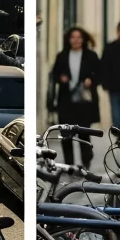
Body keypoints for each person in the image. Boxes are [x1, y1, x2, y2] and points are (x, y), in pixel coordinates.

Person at [48, 27, 100, 167]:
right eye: (73, 37)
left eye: (79, 37)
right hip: (66, 102)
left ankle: (86, 162)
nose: (76, 40)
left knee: (84, 134)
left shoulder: (91, 56)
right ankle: (69, 165)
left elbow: (99, 75)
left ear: (83, 40)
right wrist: (61, 78)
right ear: (68, 39)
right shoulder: (62, 56)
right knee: (66, 136)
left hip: (84, 102)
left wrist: (91, 80)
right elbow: (55, 75)